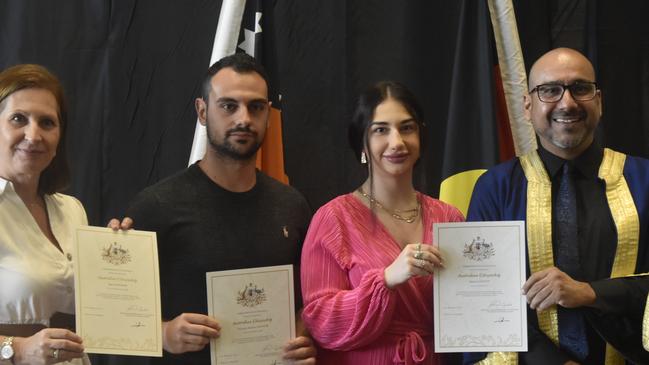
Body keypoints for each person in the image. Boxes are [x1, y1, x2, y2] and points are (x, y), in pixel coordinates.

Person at [100, 53, 316, 365]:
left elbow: (310, 300)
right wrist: (164, 332)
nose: (243, 118)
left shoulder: (292, 206)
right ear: (202, 111)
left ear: (268, 114)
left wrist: (302, 336)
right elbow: (114, 318)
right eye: (228, 106)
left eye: (255, 107)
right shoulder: (155, 207)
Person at [464, 48, 649, 364]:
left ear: (599, 101)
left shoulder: (644, 179)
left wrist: (590, 292)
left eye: (580, 88)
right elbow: (482, 302)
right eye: (549, 90)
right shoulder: (495, 188)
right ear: (527, 105)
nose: (567, 102)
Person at [300, 81, 464, 364]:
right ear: (362, 143)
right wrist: (386, 280)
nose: (397, 142)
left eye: (407, 128)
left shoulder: (449, 217)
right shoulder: (333, 219)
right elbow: (320, 321)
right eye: (380, 130)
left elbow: (470, 306)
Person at [0, 64, 88, 364]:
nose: (33, 134)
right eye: (18, 119)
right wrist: (18, 350)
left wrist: (118, 253)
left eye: (47, 122)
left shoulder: (72, 211)